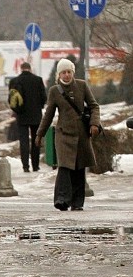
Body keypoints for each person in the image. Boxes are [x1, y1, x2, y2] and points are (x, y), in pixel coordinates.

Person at [36, 58, 101, 212]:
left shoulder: (82, 86)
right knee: (64, 167)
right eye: (63, 73)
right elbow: (48, 115)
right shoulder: (54, 91)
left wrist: (94, 124)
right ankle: (62, 199)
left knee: (79, 168)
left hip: (81, 134)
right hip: (63, 135)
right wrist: (40, 134)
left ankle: (77, 202)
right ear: (59, 75)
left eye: (69, 72)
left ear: (73, 72)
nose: (66, 75)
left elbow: (94, 106)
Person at [7, 59, 47, 172]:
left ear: (21, 69)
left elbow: (11, 99)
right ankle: (35, 165)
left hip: (21, 115)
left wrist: (16, 110)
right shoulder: (38, 80)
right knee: (36, 140)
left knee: (23, 141)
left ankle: (25, 166)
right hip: (36, 115)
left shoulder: (14, 81)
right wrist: (39, 106)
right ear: (30, 68)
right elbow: (44, 97)